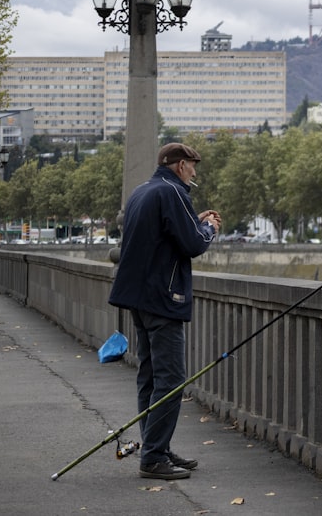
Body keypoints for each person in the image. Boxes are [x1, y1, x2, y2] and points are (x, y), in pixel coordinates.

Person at [108, 143, 221, 480]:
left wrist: (193, 221)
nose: (195, 174)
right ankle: (154, 457)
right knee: (170, 380)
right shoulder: (173, 191)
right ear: (180, 165)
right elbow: (193, 244)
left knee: (151, 376)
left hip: (139, 298)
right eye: (192, 167)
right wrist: (210, 228)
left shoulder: (144, 191)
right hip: (163, 299)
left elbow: (166, 233)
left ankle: (157, 445)